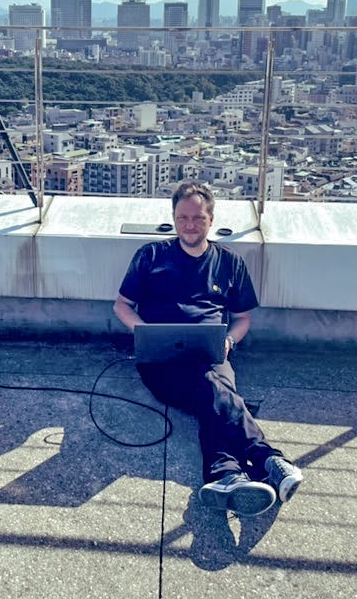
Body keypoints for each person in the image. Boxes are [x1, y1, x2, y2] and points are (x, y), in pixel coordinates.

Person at [113, 181, 303, 517]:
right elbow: (122, 306)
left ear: (211, 219)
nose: (189, 225)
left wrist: (228, 341)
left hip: (213, 355)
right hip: (162, 362)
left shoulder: (229, 262)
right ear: (173, 218)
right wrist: (143, 331)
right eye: (182, 217)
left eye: (198, 218)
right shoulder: (151, 256)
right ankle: (266, 458)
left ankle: (226, 476)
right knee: (216, 388)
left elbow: (243, 319)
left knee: (210, 392)